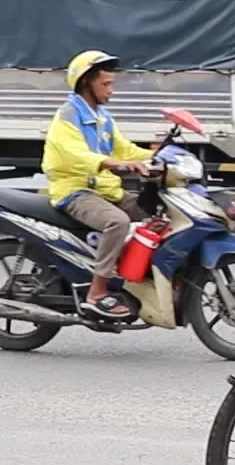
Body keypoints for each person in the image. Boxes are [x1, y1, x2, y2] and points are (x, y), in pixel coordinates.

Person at [42, 49, 157, 319]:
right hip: (75, 191)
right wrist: (114, 164)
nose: (111, 90)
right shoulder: (67, 117)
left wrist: (160, 155)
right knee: (117, 222)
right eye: (106, 84)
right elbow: (77, 155)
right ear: (86, 83)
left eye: (112, 84)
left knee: (155, 208)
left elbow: (124, 149)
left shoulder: (102, 116)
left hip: (104, 190)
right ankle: (97, 292)